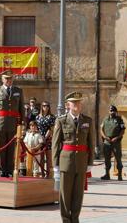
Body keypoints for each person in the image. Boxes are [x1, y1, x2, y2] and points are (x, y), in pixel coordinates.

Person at [52, 92, 95, 223]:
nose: (77, 105)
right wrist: (55, 166)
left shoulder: (87, 121)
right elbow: (56, 144)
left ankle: (75, 219)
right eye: (74, 102)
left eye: (78, 102)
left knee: (78, 195)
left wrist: (90, 162)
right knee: (65, 194)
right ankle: (65, 219)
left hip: (81, 162)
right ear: (68, 105)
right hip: (66, 162)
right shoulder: (61, 120)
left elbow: (90, 143)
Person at [0, 70, 25, 177]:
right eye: (6, 78)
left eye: (10, 78)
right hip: (0, 123)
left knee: (11, 147)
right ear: (2, 79)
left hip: (13, 123)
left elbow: (21, 108)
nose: (8, 80)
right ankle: (2, 169)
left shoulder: (18, 91)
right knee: (1, 147)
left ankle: (9, 168)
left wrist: (22, 123)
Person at [100, 105, 126, 181]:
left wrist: (117, 137)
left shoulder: (119, 119)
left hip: (116, 142)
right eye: (111, 111)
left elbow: (123, 130)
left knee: (118, 158)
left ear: (116, 112)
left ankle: (120, 175)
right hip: (107, 141)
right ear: (109, 111)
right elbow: (101, 129)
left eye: (113, 111)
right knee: (107, 159)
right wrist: (105, 137)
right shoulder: (105, 119)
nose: (112, 112)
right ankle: (107, 174)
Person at [36, 101, 56, 178]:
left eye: (47, 106)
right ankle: (42, 173)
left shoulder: (51, 117)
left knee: (48, 158)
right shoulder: (38, 117)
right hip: (39, 139)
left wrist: (45, 138)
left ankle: (49, 174)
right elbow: (37, 128)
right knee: (41, 157)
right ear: (42, 107)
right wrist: (40, 138)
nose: (46, 107)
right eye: (44, 106)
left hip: (48, 139)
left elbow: (51, 129)